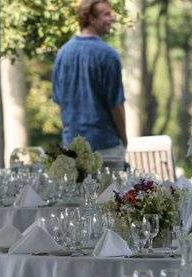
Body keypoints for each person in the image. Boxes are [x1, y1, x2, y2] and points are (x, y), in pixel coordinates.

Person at [52, 0, 127, 161]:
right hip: (106, 149)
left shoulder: (62, 54)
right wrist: (125, 140)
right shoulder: (109, 55)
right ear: (91, 19)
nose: (112, 18)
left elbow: (60, 102)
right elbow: (116, 105)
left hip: (71, 149)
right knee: (111, 188)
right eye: (106, 14)